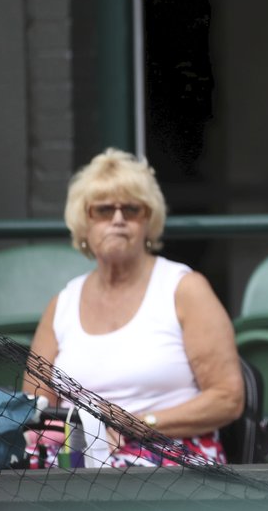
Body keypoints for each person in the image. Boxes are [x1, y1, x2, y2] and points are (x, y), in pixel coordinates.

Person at [27, 148, 243, 467]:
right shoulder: (63, 303)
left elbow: (228, 398)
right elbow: (36, 403)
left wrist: (136, 425)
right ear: (84, 222)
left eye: (131, 209)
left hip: (171, 454)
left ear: (148, 220)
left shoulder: (185, 288)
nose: (118, 219)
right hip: (77, 458)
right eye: (102, 210)